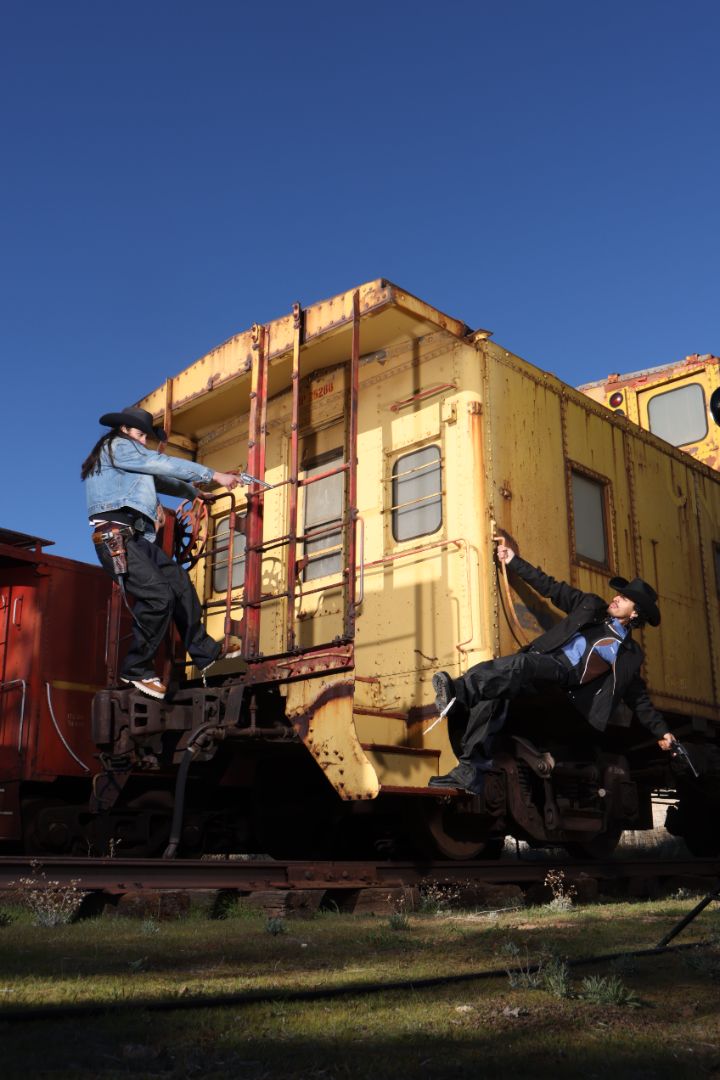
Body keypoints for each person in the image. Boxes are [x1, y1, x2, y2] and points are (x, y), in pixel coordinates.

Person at [429, 537, 676, 793]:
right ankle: (470, 773)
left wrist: (663, 732)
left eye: (624, 599)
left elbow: (639, 700)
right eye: (618, 594)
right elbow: (550, 588)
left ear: (635, 613)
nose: (616, 598)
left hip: (564, 679)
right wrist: (513, 560)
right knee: (491, 697)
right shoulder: (590, 606)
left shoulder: (628, 654)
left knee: (522, 664)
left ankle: (456, 694)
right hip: (546, 660)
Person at [82, 405, 244, 700]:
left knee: (179, 585)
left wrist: (194, 492)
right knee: (158, 596)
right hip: (115, 538)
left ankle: (205, 652)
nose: (143, 441)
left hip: (133, 538)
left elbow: (160, 479)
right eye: (140, 435)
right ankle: (137, 668)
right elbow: (161, 464)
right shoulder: (117, 446)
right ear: (124, 430)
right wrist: (214, 475)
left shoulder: (126, 460)